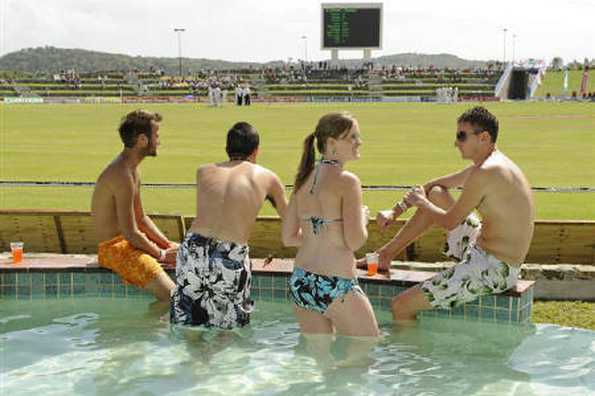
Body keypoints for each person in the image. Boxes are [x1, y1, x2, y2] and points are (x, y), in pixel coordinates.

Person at [365, 106, 534, 323]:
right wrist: (396, 210)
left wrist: (422, 203)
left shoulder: (486, 172)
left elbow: (449, 221)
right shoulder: (488, 165)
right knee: (436, 194)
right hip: (481, 249)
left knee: (401, 307)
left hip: (494, 269)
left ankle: (414, 356)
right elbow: (433, 186)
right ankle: (385, 255)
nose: (456, 142)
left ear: (483, 137)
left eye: (461, 136)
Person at [170, 121, 288, 329]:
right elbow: (290, 220)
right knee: (228, 330)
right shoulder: (268, 177)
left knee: (188, 324)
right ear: (256, 150)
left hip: (192, 249)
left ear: (227, 148)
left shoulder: (203, 171)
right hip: (230, 254)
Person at [282, 112, 379, 337]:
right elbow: (355, 241)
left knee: (320, 361)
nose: (359, 142)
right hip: (336, 284)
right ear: (332, 143)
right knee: (365, 354)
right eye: (352, 137)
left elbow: (288, 238)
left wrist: (320, 236)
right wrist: (363, 220)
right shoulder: (348, 181)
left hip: (302, 279)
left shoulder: (302, 178)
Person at [91, 110, 178, 302]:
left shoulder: (131, 170)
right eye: (156, 135)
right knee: (174, 298)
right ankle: (141, 330)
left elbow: (141, 219)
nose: (159, 141)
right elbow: (131, 232)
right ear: (142, 140)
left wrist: (168, 245)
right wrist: (162, 254)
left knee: (184, 256)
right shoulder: (122, 174)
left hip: (127, 243)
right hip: (114, 250)